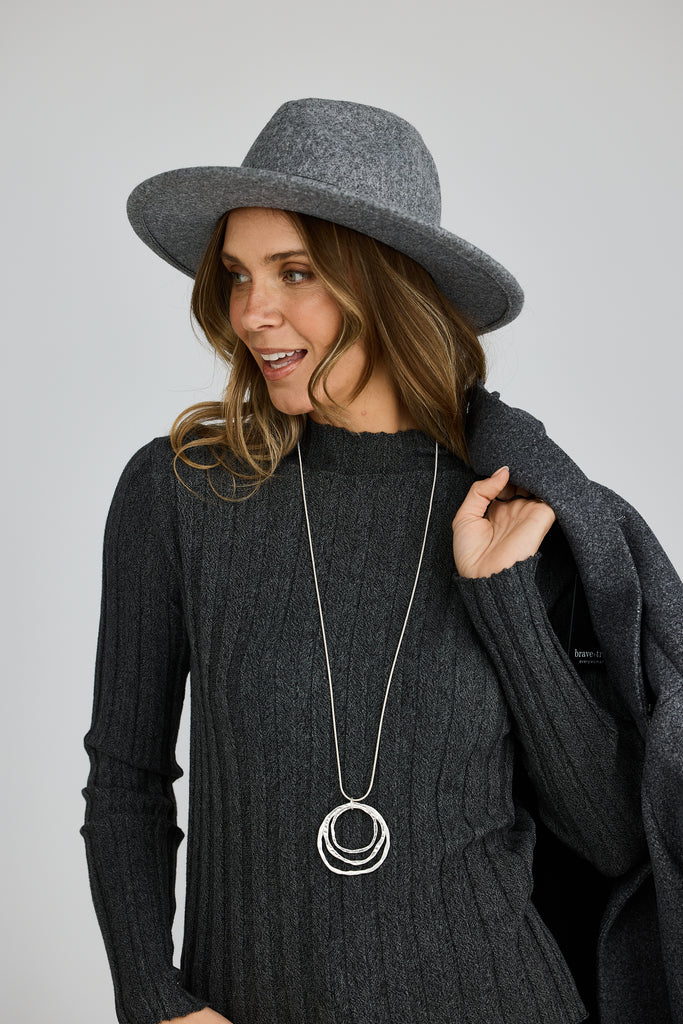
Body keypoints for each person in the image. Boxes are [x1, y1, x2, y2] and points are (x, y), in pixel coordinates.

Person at [80, 98, 682, 1024]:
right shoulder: (181, 492)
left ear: (387, 283)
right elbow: (126, 778)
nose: (253, 312)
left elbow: (611, 839)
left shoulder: (514, 512)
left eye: (295, 272)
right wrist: (154, 999)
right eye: (237, 276)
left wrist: (503, 599)